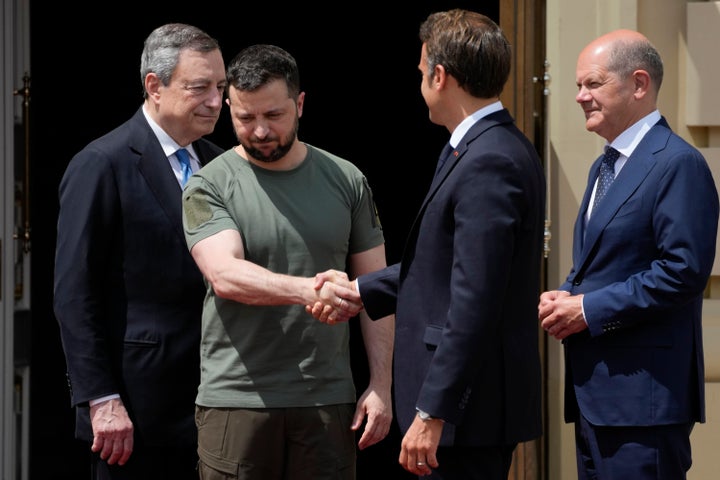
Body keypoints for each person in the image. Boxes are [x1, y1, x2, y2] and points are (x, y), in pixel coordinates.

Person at [311, 9, 545, 479]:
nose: (419, 83)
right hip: (465, 414)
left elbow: (474, 299)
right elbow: (445, 265)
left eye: (421, 72)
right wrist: (361, 290)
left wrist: (433, 411)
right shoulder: (480, 147)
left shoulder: (488, 160)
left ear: (440, 76)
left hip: (463, 418)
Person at [180, 43, 394, 480]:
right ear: (228, 108)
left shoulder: (346, 179)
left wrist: (382, 386)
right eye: (245, 117)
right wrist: (314, 290)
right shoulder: (208, 185)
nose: (259, 131)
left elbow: (377, 289)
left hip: (326, 400)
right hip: (236, 402)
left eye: (273, 116)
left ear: (299, 104)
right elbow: (225, 275)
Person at [538, 29, 719, 479]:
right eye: (578, 85)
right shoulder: (604, 166)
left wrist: (588, 309)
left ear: (639, 84)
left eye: (592, 84)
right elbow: (610, 262)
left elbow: (683, 272)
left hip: (645, 406)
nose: (580, 96)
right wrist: (567, 296)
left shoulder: (678, 163)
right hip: (597, 400)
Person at [53, 23, 226, 480]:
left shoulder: (219, 161)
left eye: (220, 87)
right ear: (154, 85)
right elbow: (75, 292)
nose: (215, 101)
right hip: (134, 415)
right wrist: (101, 398)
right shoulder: (101, 163)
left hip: (217, 404)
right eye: (199, 87)